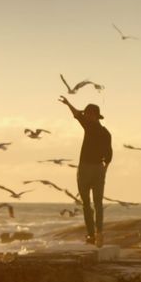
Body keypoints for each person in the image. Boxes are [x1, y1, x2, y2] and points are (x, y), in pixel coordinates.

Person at [59, 96, 113, 246]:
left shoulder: (89, 126)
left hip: (85, 168)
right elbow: (109, 155)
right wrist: (103, 170)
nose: (86, 116)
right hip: (99, 169)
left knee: (86, 204)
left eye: (88, 114)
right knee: (98, 204)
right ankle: (99, 234)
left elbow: (77, 115)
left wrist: (68, 103)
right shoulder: (106, 133)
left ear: (94, 115)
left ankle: (91, 235)